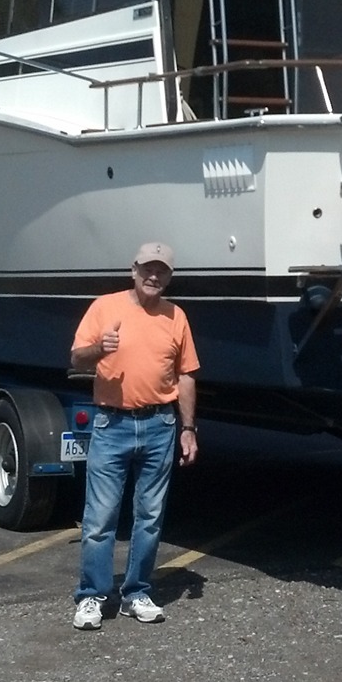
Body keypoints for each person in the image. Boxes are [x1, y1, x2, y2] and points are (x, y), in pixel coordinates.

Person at [67, 241, 200, 630]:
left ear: (170, 277)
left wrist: (188, 428)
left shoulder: (176, 316)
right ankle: (92, 596)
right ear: (133, 270)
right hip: (113, 424)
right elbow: (76, 358)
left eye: (162, 271)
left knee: (150, 517)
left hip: (161, 424)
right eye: (147, 269)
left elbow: (186, 374)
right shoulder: (105, 307)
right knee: (100, 518)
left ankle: (136, 592)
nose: (153, 276)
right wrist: (99, 348)